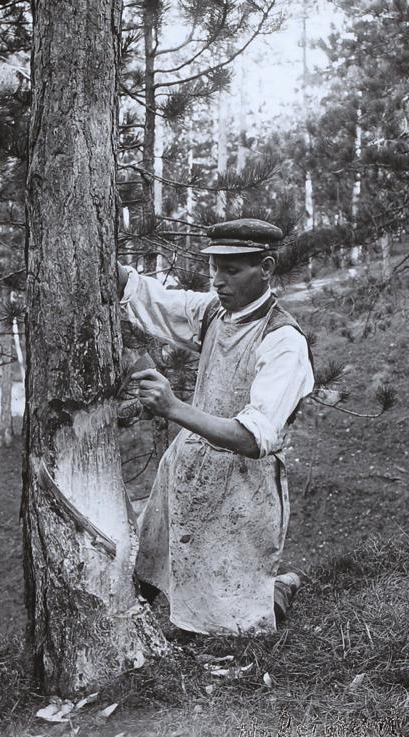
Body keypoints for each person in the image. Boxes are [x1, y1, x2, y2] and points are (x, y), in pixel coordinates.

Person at [117, 218, 314, 636]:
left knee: (234, 623)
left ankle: (277, 592)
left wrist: (173, 408)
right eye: (214, 268)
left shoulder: (284, 341)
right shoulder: (213, 312)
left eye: (232, 269)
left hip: (245, 487)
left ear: (266, 267)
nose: (218, 281)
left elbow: (252, 438)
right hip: (187, 472)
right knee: (153, 570)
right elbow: (150, 298)